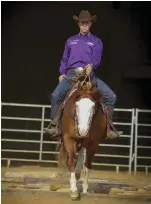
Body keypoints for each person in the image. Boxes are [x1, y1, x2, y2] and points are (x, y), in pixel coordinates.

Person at [44, 10, 123, 139]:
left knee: (111, 96)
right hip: (71, 75)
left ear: (91, 23)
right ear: (78, 23)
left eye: (87, 22)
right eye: (82, 22)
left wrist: (92, 66)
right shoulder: (71, 41)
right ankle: (55, 126)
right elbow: (64, 59)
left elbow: (97, 59)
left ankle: (108, 128)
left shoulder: (96, 41)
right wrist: (62, 73)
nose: (84, 25)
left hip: (89, 75)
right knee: (55, 95)